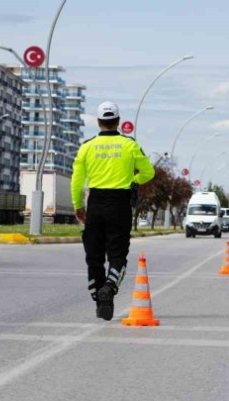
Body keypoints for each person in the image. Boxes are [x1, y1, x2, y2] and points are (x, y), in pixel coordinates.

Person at [71, 101, 156, 321]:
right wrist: (132, 181)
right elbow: (148, 173)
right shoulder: (129, 145)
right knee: (118, 255)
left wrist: (78, 206)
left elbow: (77, 181)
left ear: (99, 122)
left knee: (94, 257)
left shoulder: (87, 147)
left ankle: (100, 302)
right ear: (117, 122)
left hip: (96, 202)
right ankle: (109, 286)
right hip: (120, 205)